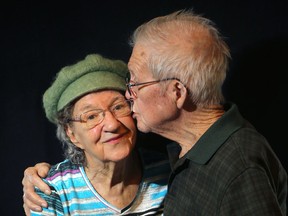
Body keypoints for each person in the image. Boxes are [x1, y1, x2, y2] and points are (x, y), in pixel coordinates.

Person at [23, 9, 287, 215]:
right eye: (91, 116)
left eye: (135, 83)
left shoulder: (236, 167)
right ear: (71, 133)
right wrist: (38, 175)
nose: (129, 93)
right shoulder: (181, 154)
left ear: (177, 92)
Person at [24, 53, 170, 215]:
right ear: (72, 134)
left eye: (118, 107)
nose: (112, 124)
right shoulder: (53, 190)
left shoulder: (169, 172)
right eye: (92, 116)